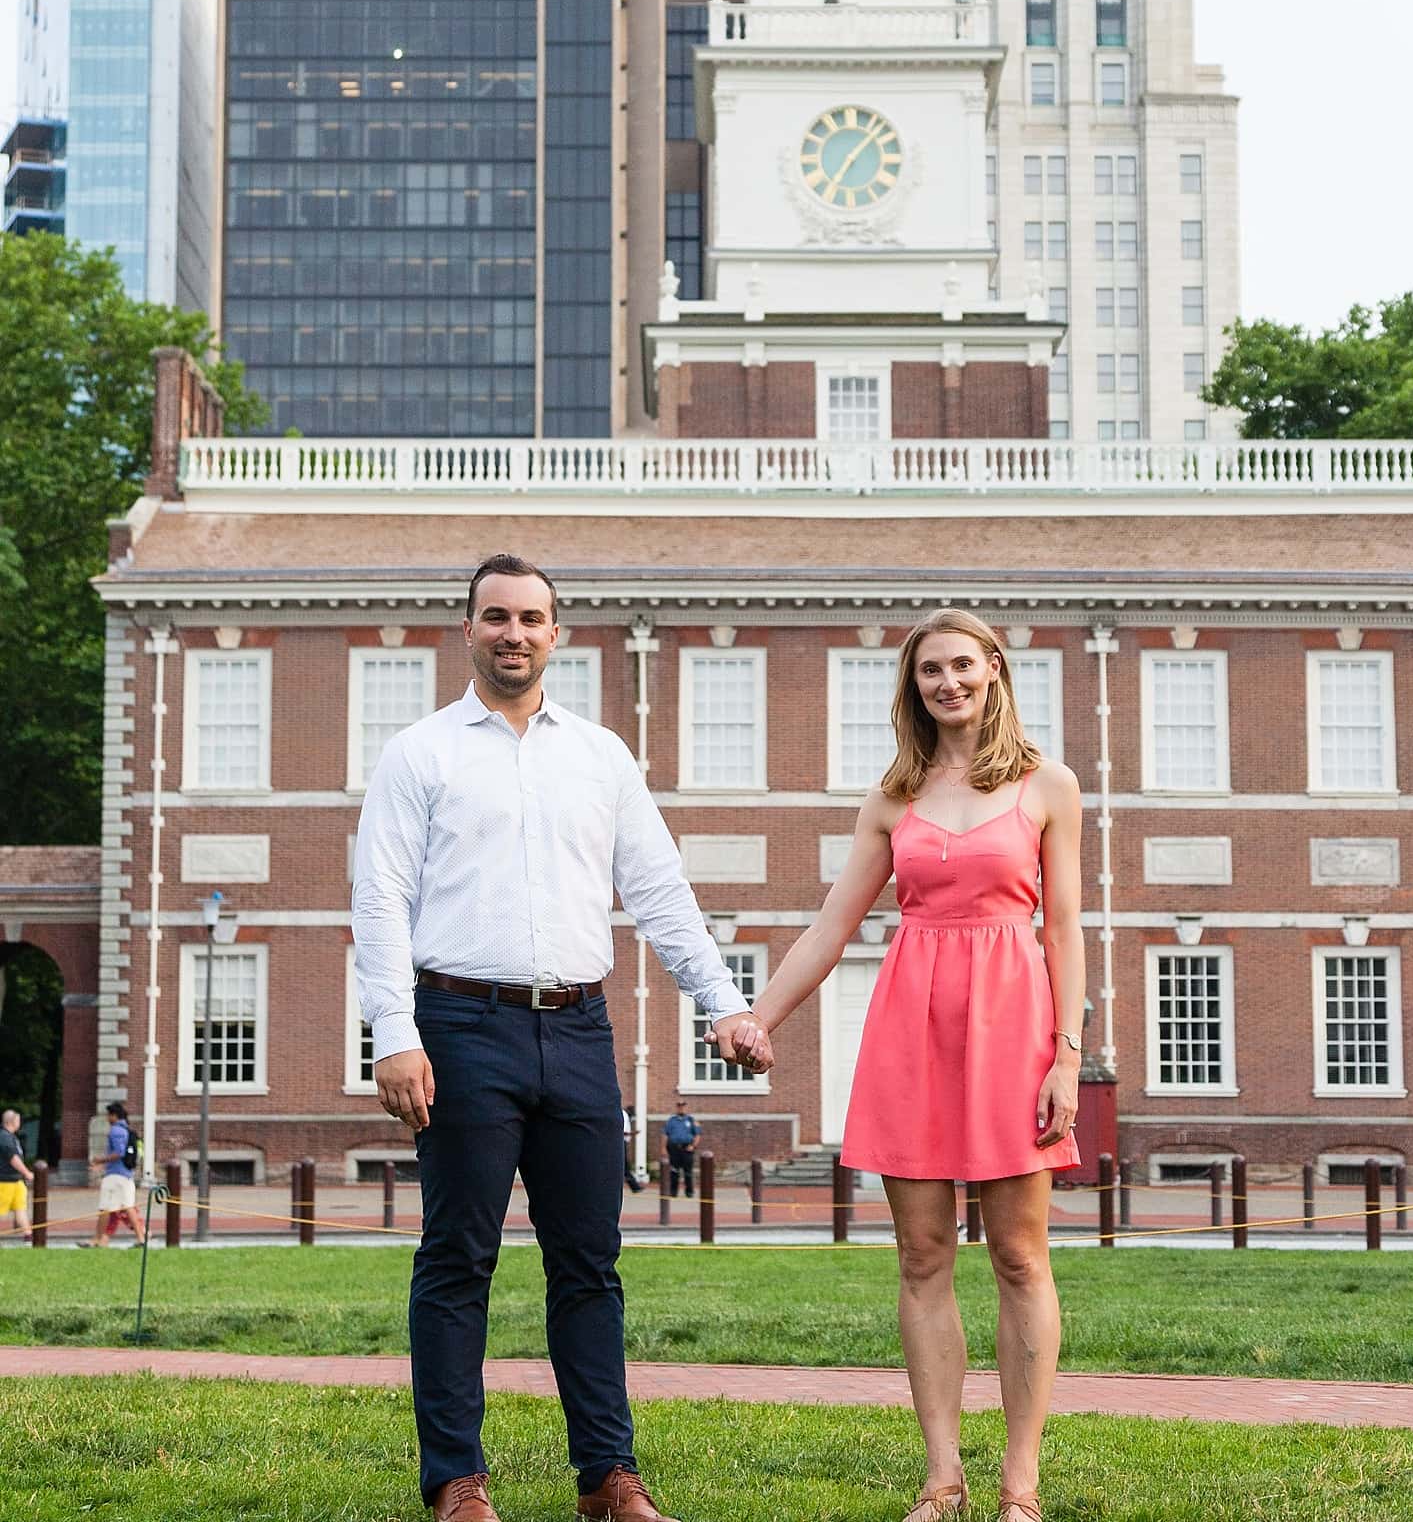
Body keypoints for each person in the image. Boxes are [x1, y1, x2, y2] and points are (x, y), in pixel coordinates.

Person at [353, 554, 772, 1522]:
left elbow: (661, 894)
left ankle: (606, 1476)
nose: (513, 632)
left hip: (579, 1028)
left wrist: (721, 1004)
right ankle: (456, 1479)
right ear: (467, 630)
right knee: (458, 1257)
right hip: (458, 1023)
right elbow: (379, 899)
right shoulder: (420, 752)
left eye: (531, 618)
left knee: (589, 1262)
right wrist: (394, 1033)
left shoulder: (600, 756)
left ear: (557, 633)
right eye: (495, 617)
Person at [750, 609, 1084, 1522]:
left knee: (1020, 1257)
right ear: (915, 686)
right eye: (932, 670)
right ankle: (943, 1478)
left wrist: (1068, 1057)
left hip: (1014, 1028)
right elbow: (833, 925)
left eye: (963, 667)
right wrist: (760, 1016)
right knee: (922, 1255)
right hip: (912, 1026)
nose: (950, 683)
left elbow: (1064, 930)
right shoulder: (892, 796)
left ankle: (1021, 1486)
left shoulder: (1047, 785)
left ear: (994, 672)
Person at [92, 1101, 145, 1247]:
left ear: (114, 1116)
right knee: (128, 1207)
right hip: (126, 1175)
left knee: (104, 1208)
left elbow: (119, 1153)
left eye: (109, 1115)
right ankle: (141, 1238)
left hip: (114, 1176)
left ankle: (97, 1239)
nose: (107, 1119)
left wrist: (100, 1160)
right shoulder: (127, 1130)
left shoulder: (115, 1130)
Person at [0, 1109, 32, 1232]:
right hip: (5, 1181)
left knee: (20, 1208)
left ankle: (28, 1236)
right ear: (11, 1121)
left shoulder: (10, 1136)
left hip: (16, 1181)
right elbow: (13, 1158)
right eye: (18, 1120)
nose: (20, 1123)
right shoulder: (4, 1137)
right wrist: (27, 1173)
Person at [662, 1100, 701, 1199]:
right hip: (674, 1149)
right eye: (679, 1106)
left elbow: (697, 1135)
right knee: (674, 1171)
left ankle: (689, 1192)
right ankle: (673, 1192)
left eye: (683, 1106)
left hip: (687, 1149)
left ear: (686, 1107)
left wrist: (693, 1146)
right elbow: (665, 1134)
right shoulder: (671, 1120)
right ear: (677, 1107)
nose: (681, 1108)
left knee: (688, 1172)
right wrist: (663, 1148)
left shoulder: (691, 1120)